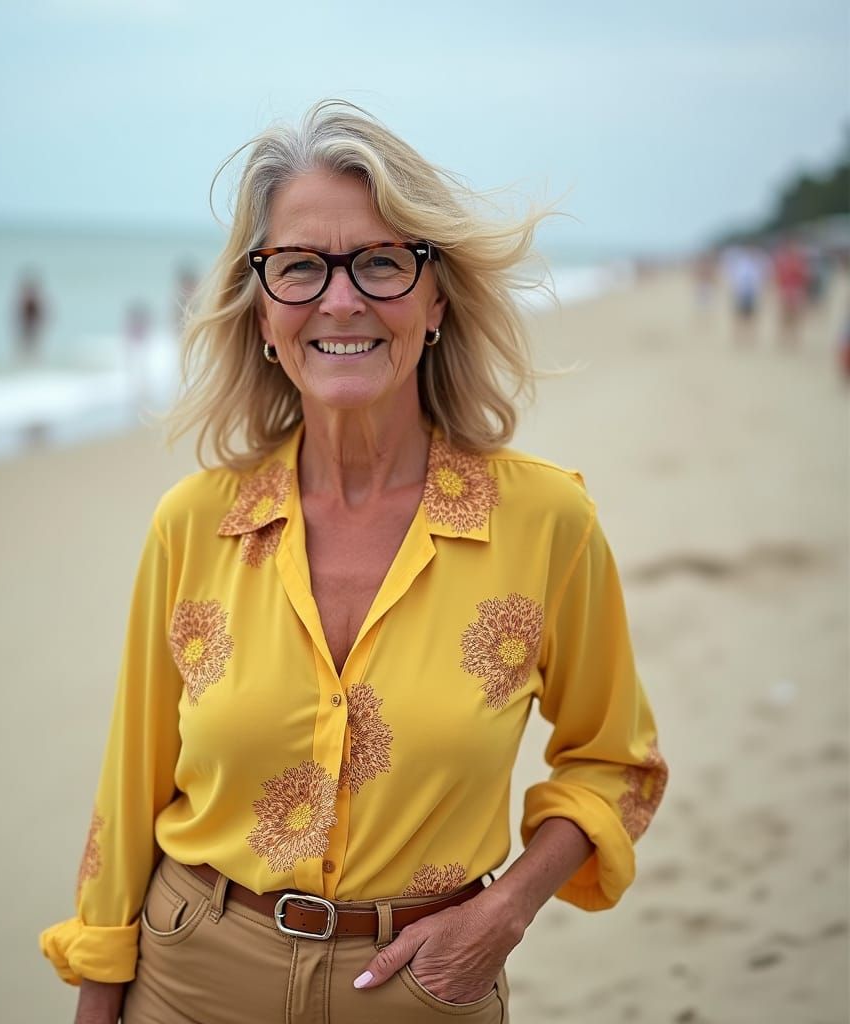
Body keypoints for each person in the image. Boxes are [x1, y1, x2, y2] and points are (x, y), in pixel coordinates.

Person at [40, 100, 667, 1024]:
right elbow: (128, 796)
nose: (341, 300)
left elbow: (617, 762)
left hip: (422, 991)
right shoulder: (193, 526)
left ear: (435, 297)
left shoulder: (545, 524)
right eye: (299, 266)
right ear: (262, 310)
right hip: (188, 978)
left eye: (380, 261)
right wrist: (97, 1001)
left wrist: (503, 913)